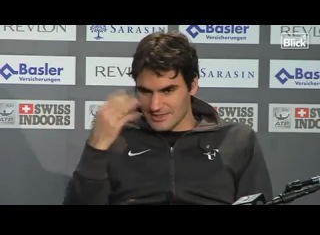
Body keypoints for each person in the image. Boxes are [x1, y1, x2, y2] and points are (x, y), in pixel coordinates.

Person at [63, 31, 273, 205]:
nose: (155, 106)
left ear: (193, 85)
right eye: (145, 91)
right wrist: (96, 147)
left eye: (167, 91)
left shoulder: (237, 140)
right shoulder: (116, 141)